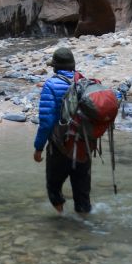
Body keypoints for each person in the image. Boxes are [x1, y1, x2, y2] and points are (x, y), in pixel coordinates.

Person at [33, 46, 92, 216]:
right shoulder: (83, 81)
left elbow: (46, 122)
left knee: (54, 188)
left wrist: (38, 148)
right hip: (84, 146)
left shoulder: (50, 85)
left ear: (55, 67)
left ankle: (61, 223)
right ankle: (84, 228)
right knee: (82, 194)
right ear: (72, 65)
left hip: (61, 148)